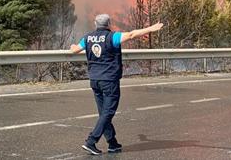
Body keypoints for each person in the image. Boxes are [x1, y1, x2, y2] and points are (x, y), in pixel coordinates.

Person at [70, 14, 164, 155]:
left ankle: (112, 143)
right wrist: (151, 28)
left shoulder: (88, 38)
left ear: (95, 24)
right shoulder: (112, 37)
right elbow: (132, 34)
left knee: (104, 113)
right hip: (109, 80)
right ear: (109, 24)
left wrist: (73, 46)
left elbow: (75, 50)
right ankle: (91, 141)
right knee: (108, 112)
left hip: (94, 80)